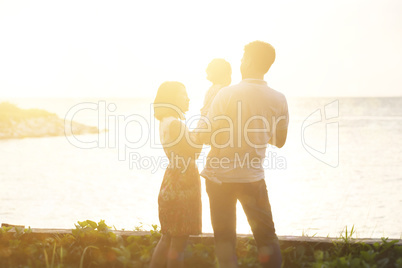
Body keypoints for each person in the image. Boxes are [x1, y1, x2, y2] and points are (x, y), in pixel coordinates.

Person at [196, 41, 289, 268]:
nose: (240, 62)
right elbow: (280, 141)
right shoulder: (278, 99)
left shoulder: (226, 94)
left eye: (241, 58)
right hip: (253, 179)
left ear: (247, 61)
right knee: (267, 238)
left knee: (225, 242)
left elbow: (204, 136)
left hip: (219, 179)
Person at [150, 81, 202, 268]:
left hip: (172, 180)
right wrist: (203, 130)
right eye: (183, 95)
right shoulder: (176, 125)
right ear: (172, 98)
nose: (187, 98)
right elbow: (195, 150)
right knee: (178, 244)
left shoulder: (166, 121)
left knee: (167, 238)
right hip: (183, 185)